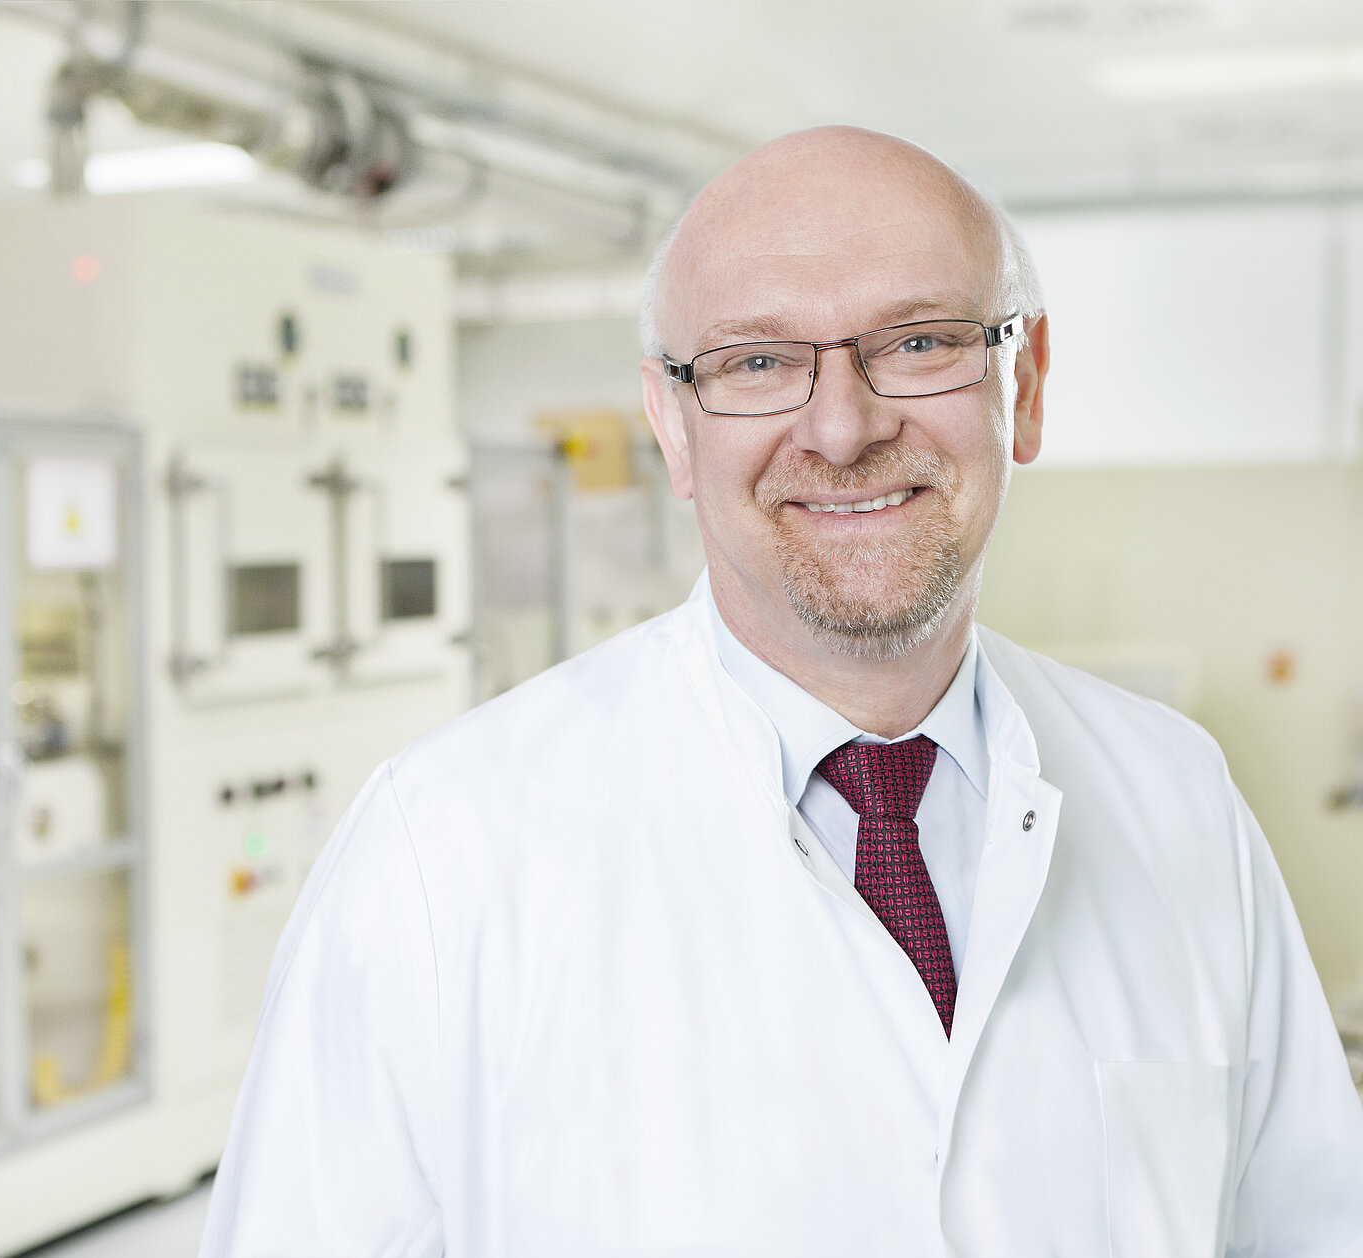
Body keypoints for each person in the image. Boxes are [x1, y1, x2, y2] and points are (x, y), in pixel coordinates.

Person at [198, 126, 1363, 1256]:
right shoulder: (443, 855)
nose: (844, 427)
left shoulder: (1177, 796)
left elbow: (1309, 1226)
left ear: (1031, 381)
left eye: (918, 342)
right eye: (757, 362)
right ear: (671, 424)